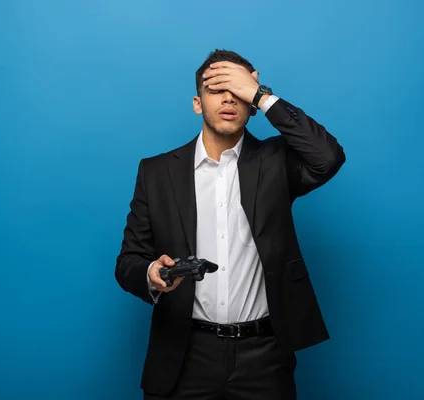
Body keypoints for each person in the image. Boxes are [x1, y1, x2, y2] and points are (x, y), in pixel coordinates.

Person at [114, 49, 346, 400]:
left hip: (264, 356)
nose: (228, 99)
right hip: (184, 352)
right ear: (197, 103)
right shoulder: (156, 172)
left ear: (250, 103)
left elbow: (328, 157)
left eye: (237, 90)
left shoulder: (275, 161)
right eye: (216, 89)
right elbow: (128, 261)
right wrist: (149, 273)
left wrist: (261, 94)